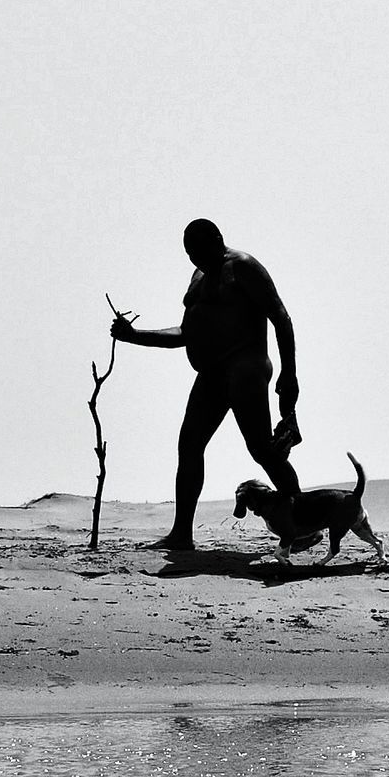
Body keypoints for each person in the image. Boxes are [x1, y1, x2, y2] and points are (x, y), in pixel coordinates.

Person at [111, 219, 302, 551]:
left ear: (218, 239)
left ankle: (301, 524)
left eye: (199, 250)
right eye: (189, 253)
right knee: (189, 446)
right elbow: (185, 335)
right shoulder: (199, 278)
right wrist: (134, 336)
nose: (195, 258)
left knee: (261, 449)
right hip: (212, 374)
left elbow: (280, 317)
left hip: (246, 368)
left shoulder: (242, 266)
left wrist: (290, 373)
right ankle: (181, 534)